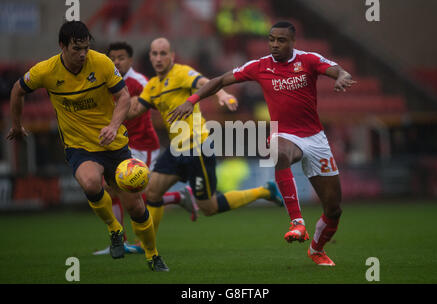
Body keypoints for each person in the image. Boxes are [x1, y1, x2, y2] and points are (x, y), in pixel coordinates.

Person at [168, 21, 356, 266]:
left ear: (292, 42)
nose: (275, 44)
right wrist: (191, 100)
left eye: (281, 40)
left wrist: (342, 77)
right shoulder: (259, 66)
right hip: (285, 135)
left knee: (334, 210)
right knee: (277, 152)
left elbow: (339, 70)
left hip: (315, 139)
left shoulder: (308, 60)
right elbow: (220, 80)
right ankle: (297, 222)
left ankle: (316, 249)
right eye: (271, 40)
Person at [6, 21, 169, 272]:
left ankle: (153, 254)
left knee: (136, 207)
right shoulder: (46, 70)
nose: (82, 54)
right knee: (91, 183)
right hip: (79, 146)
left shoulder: (102, 63)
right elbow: (17, 90)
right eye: (76, 49)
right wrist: (17, 125)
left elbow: (124, 97)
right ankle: (115, 230)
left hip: (113, 144)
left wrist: (114, 126)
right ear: (62, 46)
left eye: (85, 47)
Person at [126, 37, 284, 235]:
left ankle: (265, 191)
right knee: (152, 192)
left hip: (197, 148)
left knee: (209, 207)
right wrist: (114, 111)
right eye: (155, 54)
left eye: (163, 53)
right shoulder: (151, 87)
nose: (159, 58)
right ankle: (147, 245)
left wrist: (222, 95)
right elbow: (136, 110)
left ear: (172, 56)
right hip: (176, 148)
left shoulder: (181, 73)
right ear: (150, 57)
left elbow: (205, 82)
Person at [93, 41, 198, 256]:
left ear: (130, 60)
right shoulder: (106, 81)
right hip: (121, 145)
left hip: (143, 144)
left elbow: (147, 105)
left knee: (138, 194)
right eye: (112, 58)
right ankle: (119, 241)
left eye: (121, 58)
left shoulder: (139, 82)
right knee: (111, 189)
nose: (116, 62)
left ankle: (178, 198)